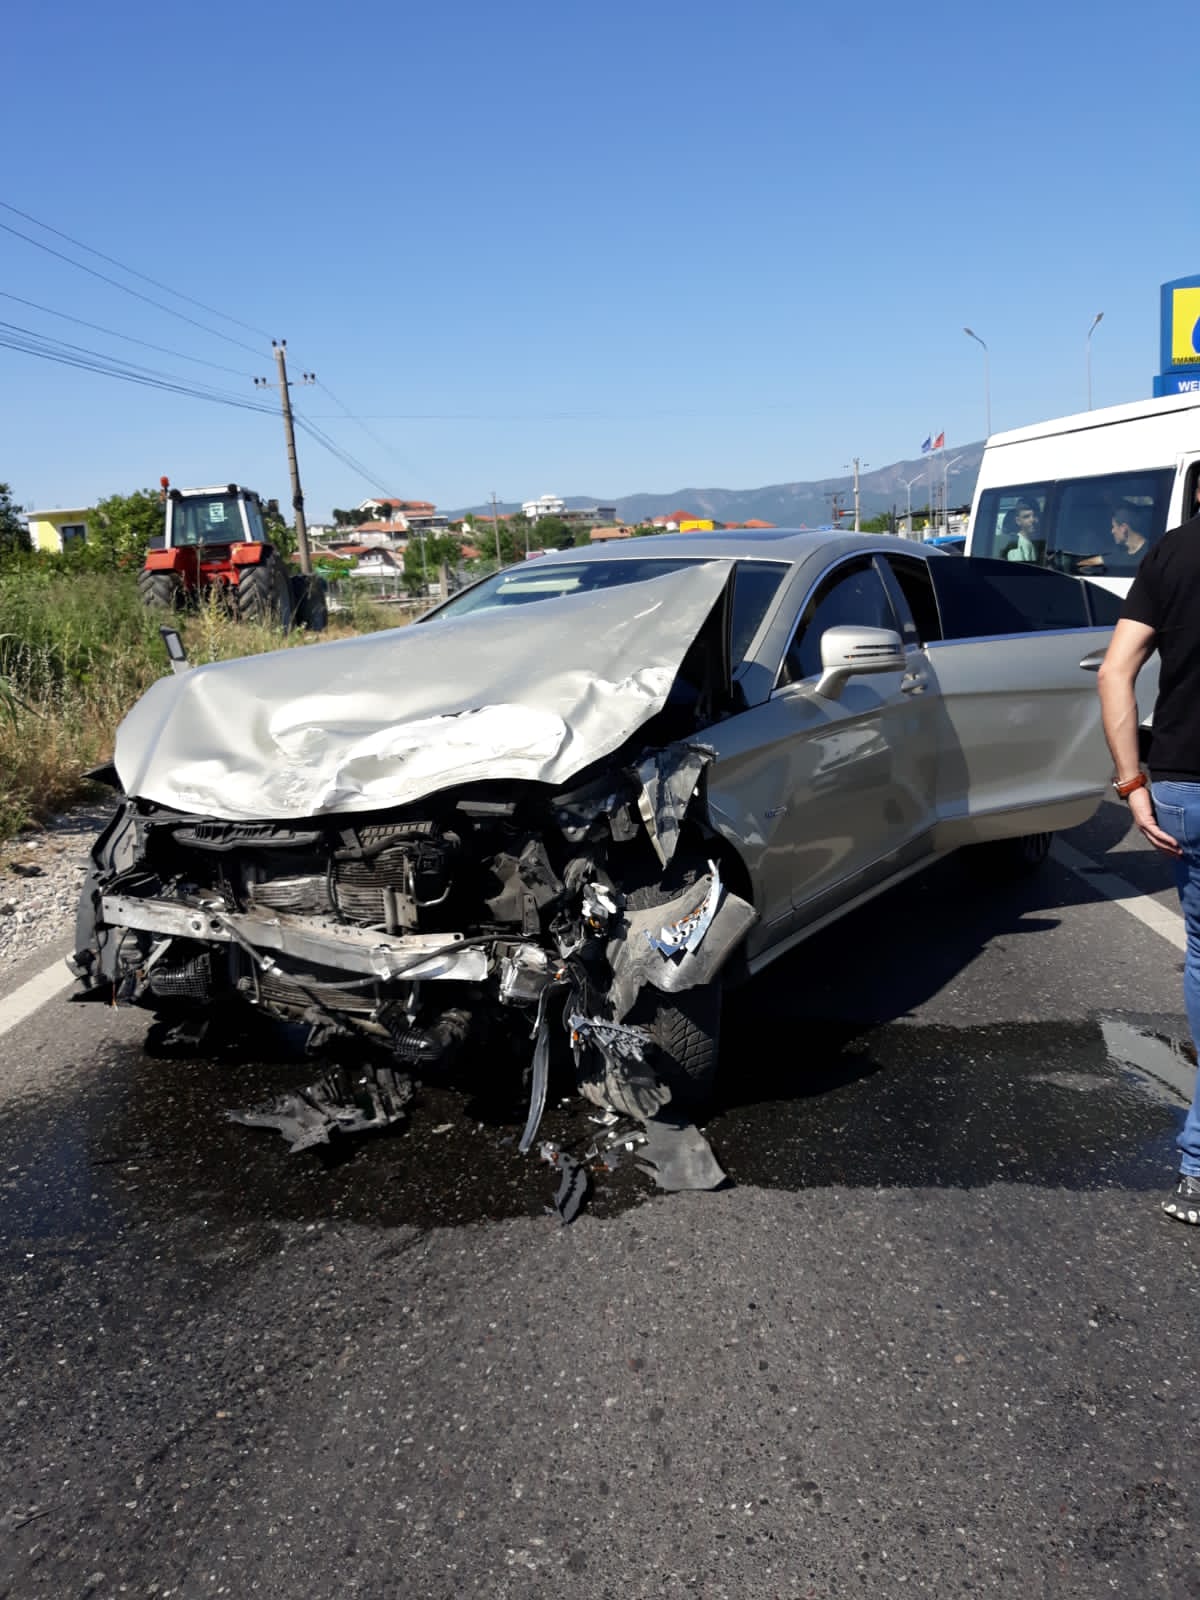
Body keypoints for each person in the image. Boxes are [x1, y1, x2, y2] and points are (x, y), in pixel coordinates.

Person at [1097, 493, 1200, 1221]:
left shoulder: (1172, 553)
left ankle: (1199, 1167)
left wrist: (1132, 782)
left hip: (1188, 785)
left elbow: (1114, 672)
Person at [1079, 502, 1150, 573]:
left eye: (1114, 527)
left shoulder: (1152, 553)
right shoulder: (1120, 552)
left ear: (1123, 528)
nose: (1112, 531)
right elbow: (1088, 563)